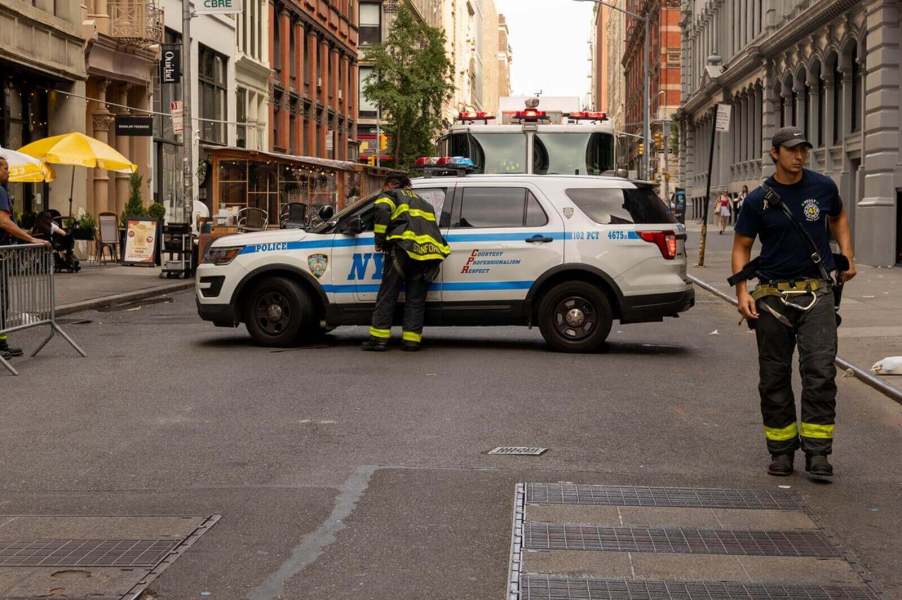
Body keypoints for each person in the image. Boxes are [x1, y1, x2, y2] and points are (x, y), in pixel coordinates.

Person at [732, 127, 856, 482]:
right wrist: (742, 292)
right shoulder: (758, 200)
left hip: (817, 293)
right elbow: (742, 246)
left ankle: (818, 454)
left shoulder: (823, 188)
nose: (799, 156)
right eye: (791, 150)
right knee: (774, 377)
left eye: (803, 150)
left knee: (820, 374)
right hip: (772, 297)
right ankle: (782, 451)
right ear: (775, 153)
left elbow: (839, 218)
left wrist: (848, 255)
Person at [361, 174, 451, 352]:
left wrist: (380, 240)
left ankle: (378, 340)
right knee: (416, 299)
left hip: (402, 249)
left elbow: (381, 211)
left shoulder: (391, 195)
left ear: (390, 185)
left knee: (388, 294)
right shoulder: (424, 203)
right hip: (426, 254)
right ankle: (411, 341)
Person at [0, 157, 51, 360]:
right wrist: (30, 238)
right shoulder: (1, 192)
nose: (9, 172)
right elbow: (4, 221)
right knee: (2, 300)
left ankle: (2, 342)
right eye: (5, 168)